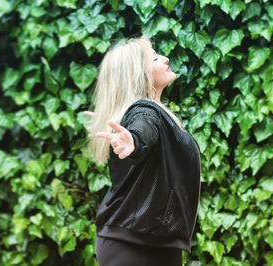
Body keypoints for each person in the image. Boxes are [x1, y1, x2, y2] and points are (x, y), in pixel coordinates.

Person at [86, 36, 201, 266]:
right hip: (135, 246)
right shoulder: (144, 112)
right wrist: (134, 142)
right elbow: (143, 130)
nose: (166, 58)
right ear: (139, 73)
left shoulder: (153, 113)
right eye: (155, 57)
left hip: (150, 241)